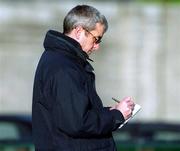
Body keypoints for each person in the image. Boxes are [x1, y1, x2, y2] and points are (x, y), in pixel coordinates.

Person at [32, 5, 135, 151]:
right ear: (79, 31)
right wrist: (116, 115)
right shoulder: (64, 67)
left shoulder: (61, 60)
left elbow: (74, 113)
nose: (97, 46)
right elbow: (78, 123)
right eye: (96, 39)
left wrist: (110, 111)